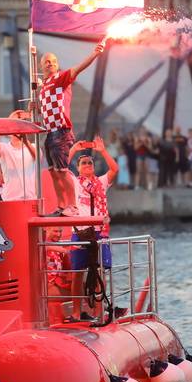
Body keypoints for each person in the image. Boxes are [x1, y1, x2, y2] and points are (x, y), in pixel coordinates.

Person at [36, 42, 106, 215]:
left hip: (62, 131)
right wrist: (34, 108)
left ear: (57, 64)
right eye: (46, 61)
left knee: (63, 170)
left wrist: (94, 54)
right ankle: (61, 205)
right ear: (41, 65)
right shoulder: (44, 86)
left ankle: (72, 205)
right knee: (53, 172)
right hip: (50, 133)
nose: (49, 63)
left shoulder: (61, 78)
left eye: (53, 61)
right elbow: (46, 109)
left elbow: (78, 68)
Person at [67, 136, 118, 322]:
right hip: (79, 232)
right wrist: (73, 149)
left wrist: (102, 151)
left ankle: (98, 312)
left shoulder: (102, 182)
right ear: (78, 167)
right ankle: (75, 312)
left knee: (99, 272)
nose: (87, 165)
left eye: (90, 162)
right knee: (77, 273)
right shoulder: (74, 182)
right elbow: (61, 168)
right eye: (83, 163)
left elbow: (115, 169)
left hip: (99, 232)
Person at [0, 110, 37, 201]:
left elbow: (38, 157)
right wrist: (8, 123)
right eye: (15, 126)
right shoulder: (4, 148)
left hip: (30, 199)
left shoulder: (33, 147)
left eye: (20, 126)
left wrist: (26, 141)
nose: (17, 129)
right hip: (10, 199)